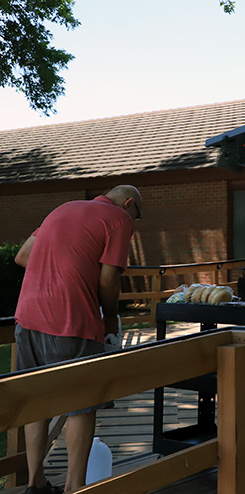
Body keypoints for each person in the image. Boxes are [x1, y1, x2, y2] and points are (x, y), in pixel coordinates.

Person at [14, 185, 142, 494]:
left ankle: (35, 483)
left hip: (27, 317)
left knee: (37, 403)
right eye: (137, 216)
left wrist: (57, 270)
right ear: (128, 204)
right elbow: (109, 279)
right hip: (72, 321)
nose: (134, 224)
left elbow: (22, 256)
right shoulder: (118, 218)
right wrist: (110, 319)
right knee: (82, 406)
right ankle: (75, 487)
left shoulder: (63, 209)